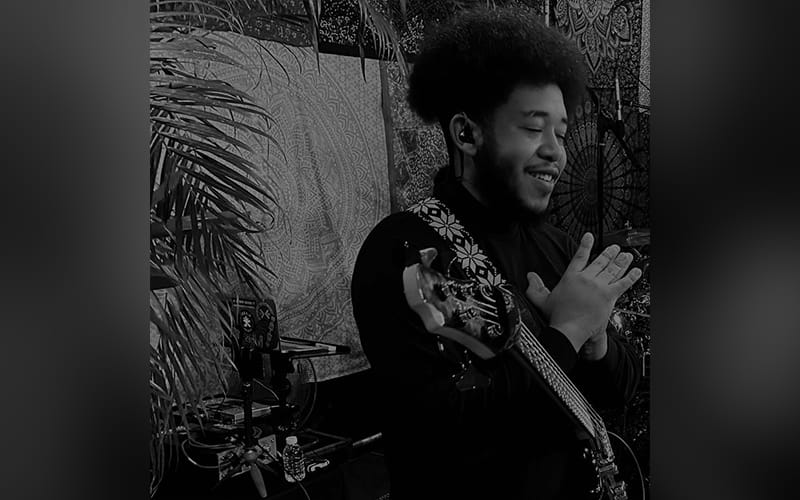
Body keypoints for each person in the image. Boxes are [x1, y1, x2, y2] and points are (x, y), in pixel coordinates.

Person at [351, 6, 642, 500]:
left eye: (561, 133)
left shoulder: (560, 247)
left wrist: (595, 342)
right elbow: (446, 426)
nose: (556, 151)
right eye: (533, 129)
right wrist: (567, 332)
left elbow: (621, 391)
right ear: (467, 134)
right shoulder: (408, 251)